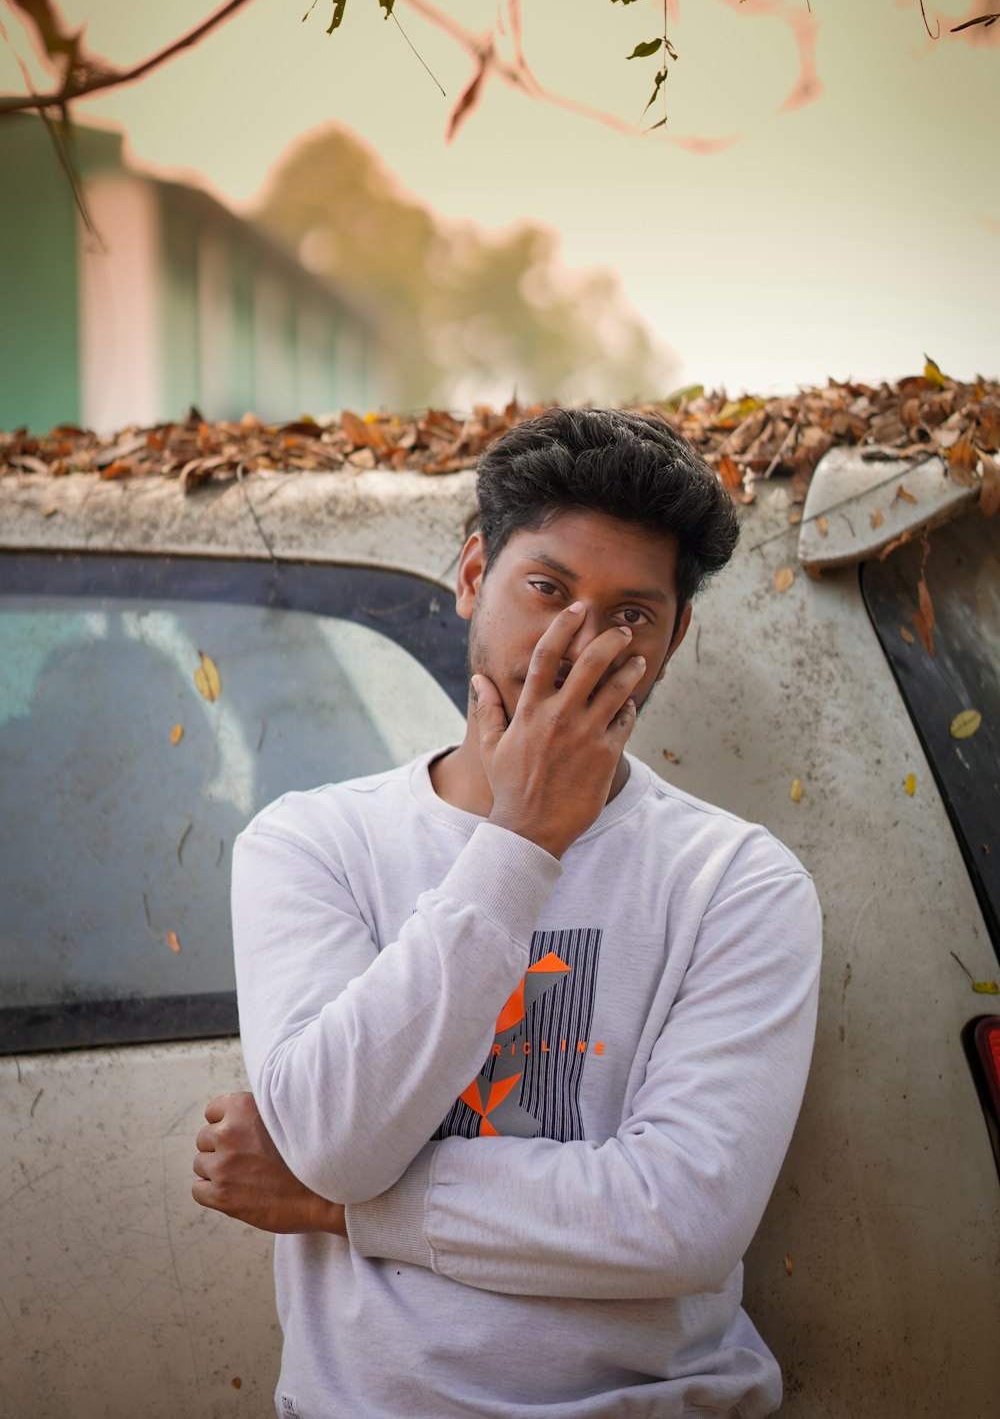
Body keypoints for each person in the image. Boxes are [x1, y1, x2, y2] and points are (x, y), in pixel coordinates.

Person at [192, 406, 822, 1419]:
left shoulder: (736, 881)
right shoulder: (312, 843)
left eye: (630, 613)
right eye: (548, 589)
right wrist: (521, 843)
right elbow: (333, 1136)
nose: (578, 641)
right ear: (475, 575)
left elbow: (683, 1222)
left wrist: (328, 1208)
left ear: (673, 638)